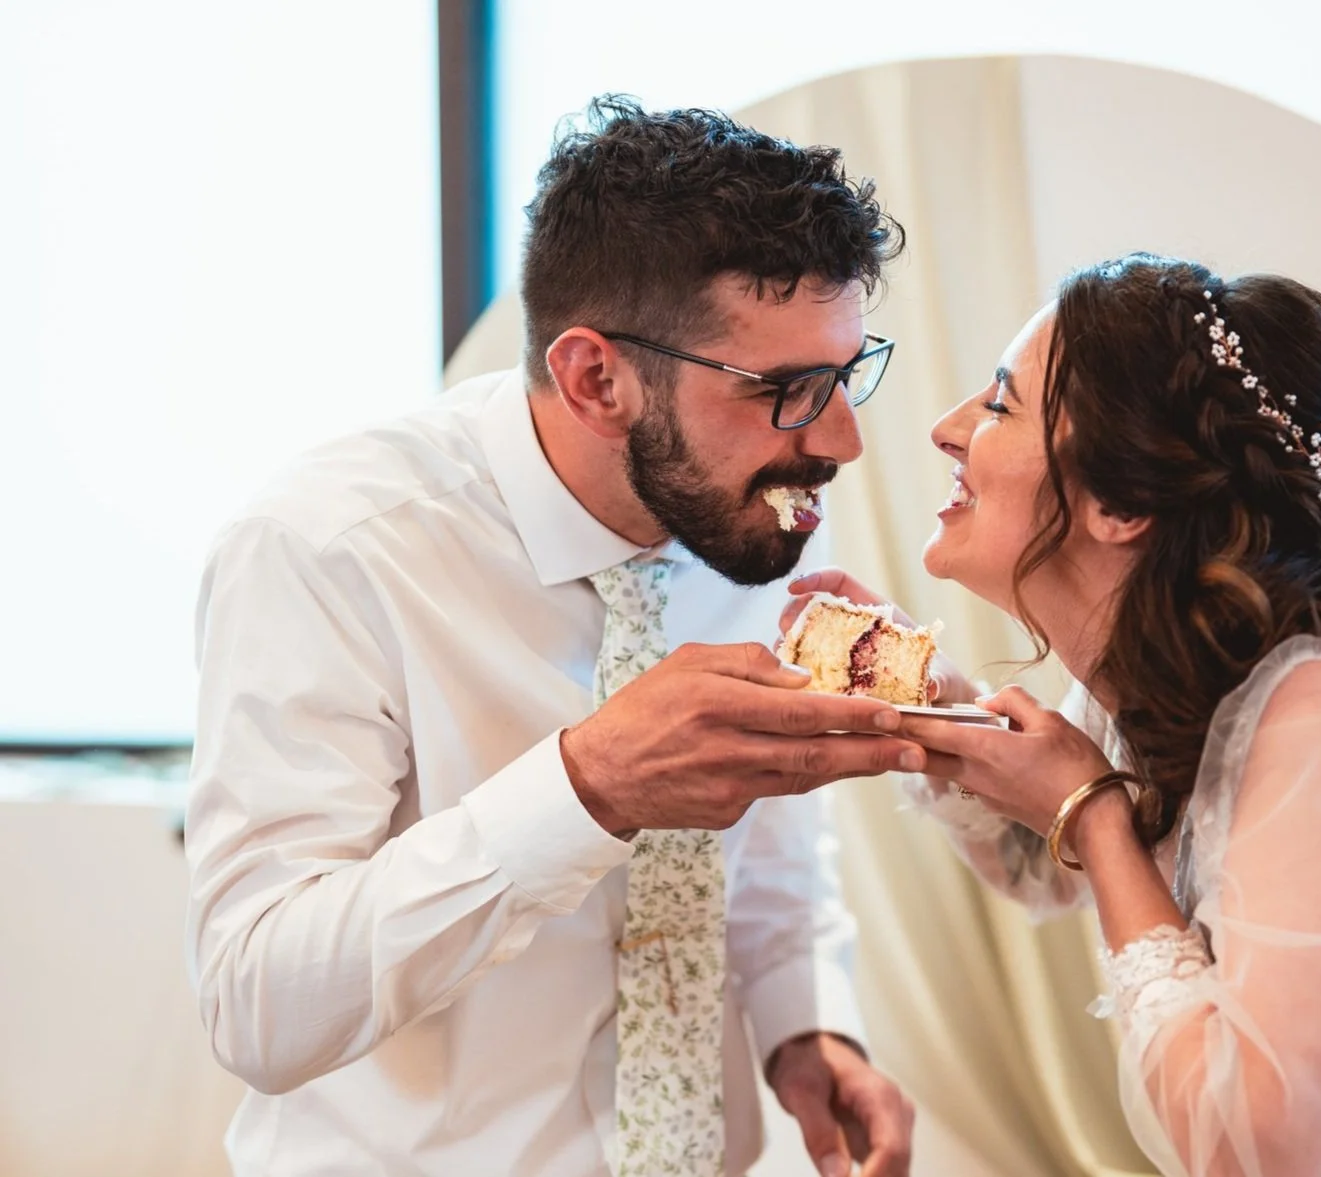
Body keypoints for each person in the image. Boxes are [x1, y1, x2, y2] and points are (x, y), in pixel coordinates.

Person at [184, 96, 921, 1177]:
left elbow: (762, 851)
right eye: (790, 390)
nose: (840, 440)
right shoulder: (327, 548)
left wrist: (804, 1024)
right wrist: (586, 789)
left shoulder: (755, 501)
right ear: (596, 378)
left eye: (847, 374)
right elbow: (257, 1002)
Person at [785, 253, 1321, 1176]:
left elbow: (1273, 1154)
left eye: (997, 404)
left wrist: (1095, 816)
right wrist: (928, 697)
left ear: (1121, 500)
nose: (946, 430)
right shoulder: (1167, 675)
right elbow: (1035, 866)